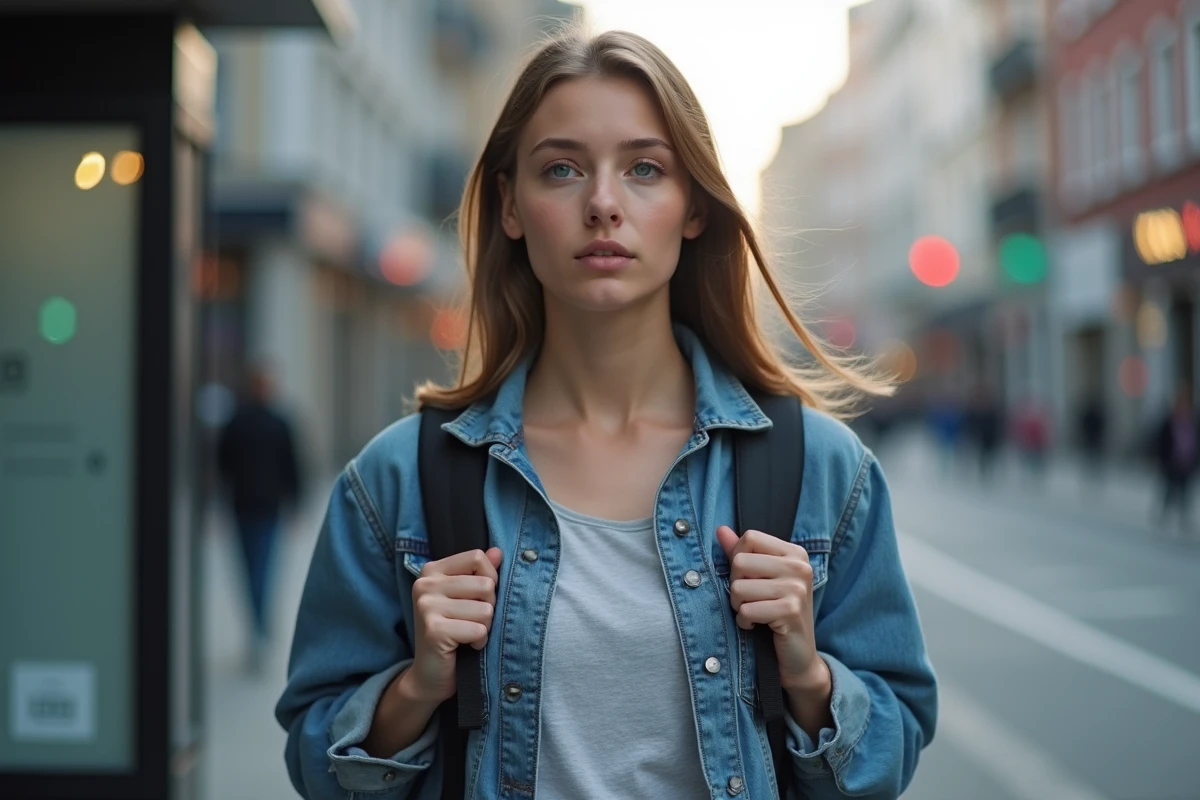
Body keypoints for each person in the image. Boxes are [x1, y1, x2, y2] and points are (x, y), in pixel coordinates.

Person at [276, 25, 937, 800]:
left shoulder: (824, 471)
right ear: (511, 205)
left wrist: (808, 675)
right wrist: (416, 689)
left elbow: (892, 747)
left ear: (693, 208)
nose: (602, 204)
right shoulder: (396, 480)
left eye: (644, 169)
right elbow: (316, 763)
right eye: (561, 169)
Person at [217, 365, 302, 671]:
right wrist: (295, 503)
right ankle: (260, 627)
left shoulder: (239, 422)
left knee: (254, 569)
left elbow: (222, 465)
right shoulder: (274, 423)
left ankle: (258, 628)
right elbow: (293, 466)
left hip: (252, 506)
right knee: (260, 569)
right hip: (261, 506)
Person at [1155, 386, 1199, 534]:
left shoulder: (1192, 422)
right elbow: (1162, 442)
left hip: (1187, 462)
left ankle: (1184, 517)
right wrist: (1163, 460)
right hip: (1172, 462)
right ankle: (1164, 513)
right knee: (1169, 489)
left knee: (1185, 491)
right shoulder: (1170, 421)